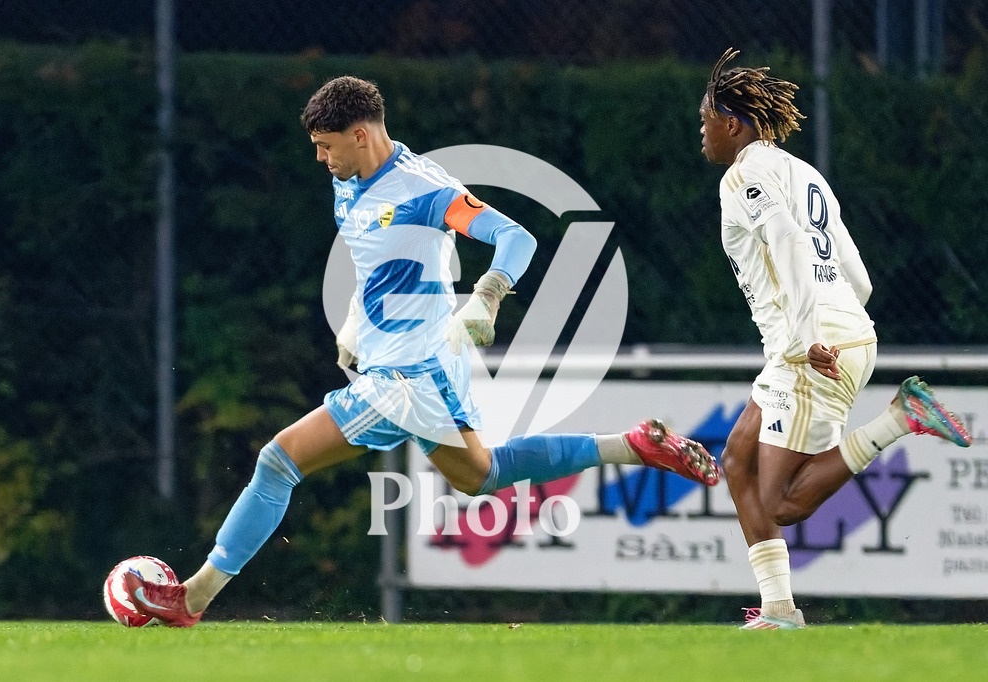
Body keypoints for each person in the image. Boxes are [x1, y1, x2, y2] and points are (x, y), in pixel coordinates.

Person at [125, 75, 722, 626]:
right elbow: (375, 264)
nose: (319, 157)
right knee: (480, 475)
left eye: (327, 144)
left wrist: (488, 294)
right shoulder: (346, 181)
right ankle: (633, 445)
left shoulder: (425, 190)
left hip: (408, 375)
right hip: (414, 366)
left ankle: (192, 598)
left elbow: (516, 237)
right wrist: (356, 327)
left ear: (362, 134)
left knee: (278, 461)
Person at [699, 49, 972, 630]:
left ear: (733, 123)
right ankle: (778, 609)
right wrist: (830, 325)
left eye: (705, 120)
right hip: (834, 332)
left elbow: (790, 244)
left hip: (811, 346)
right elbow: (859, 278)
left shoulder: (744, 173)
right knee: (738, 460)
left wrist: (804, 339)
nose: (701, 132)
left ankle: (900, 418)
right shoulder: (806, 173)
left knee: (781, 502)